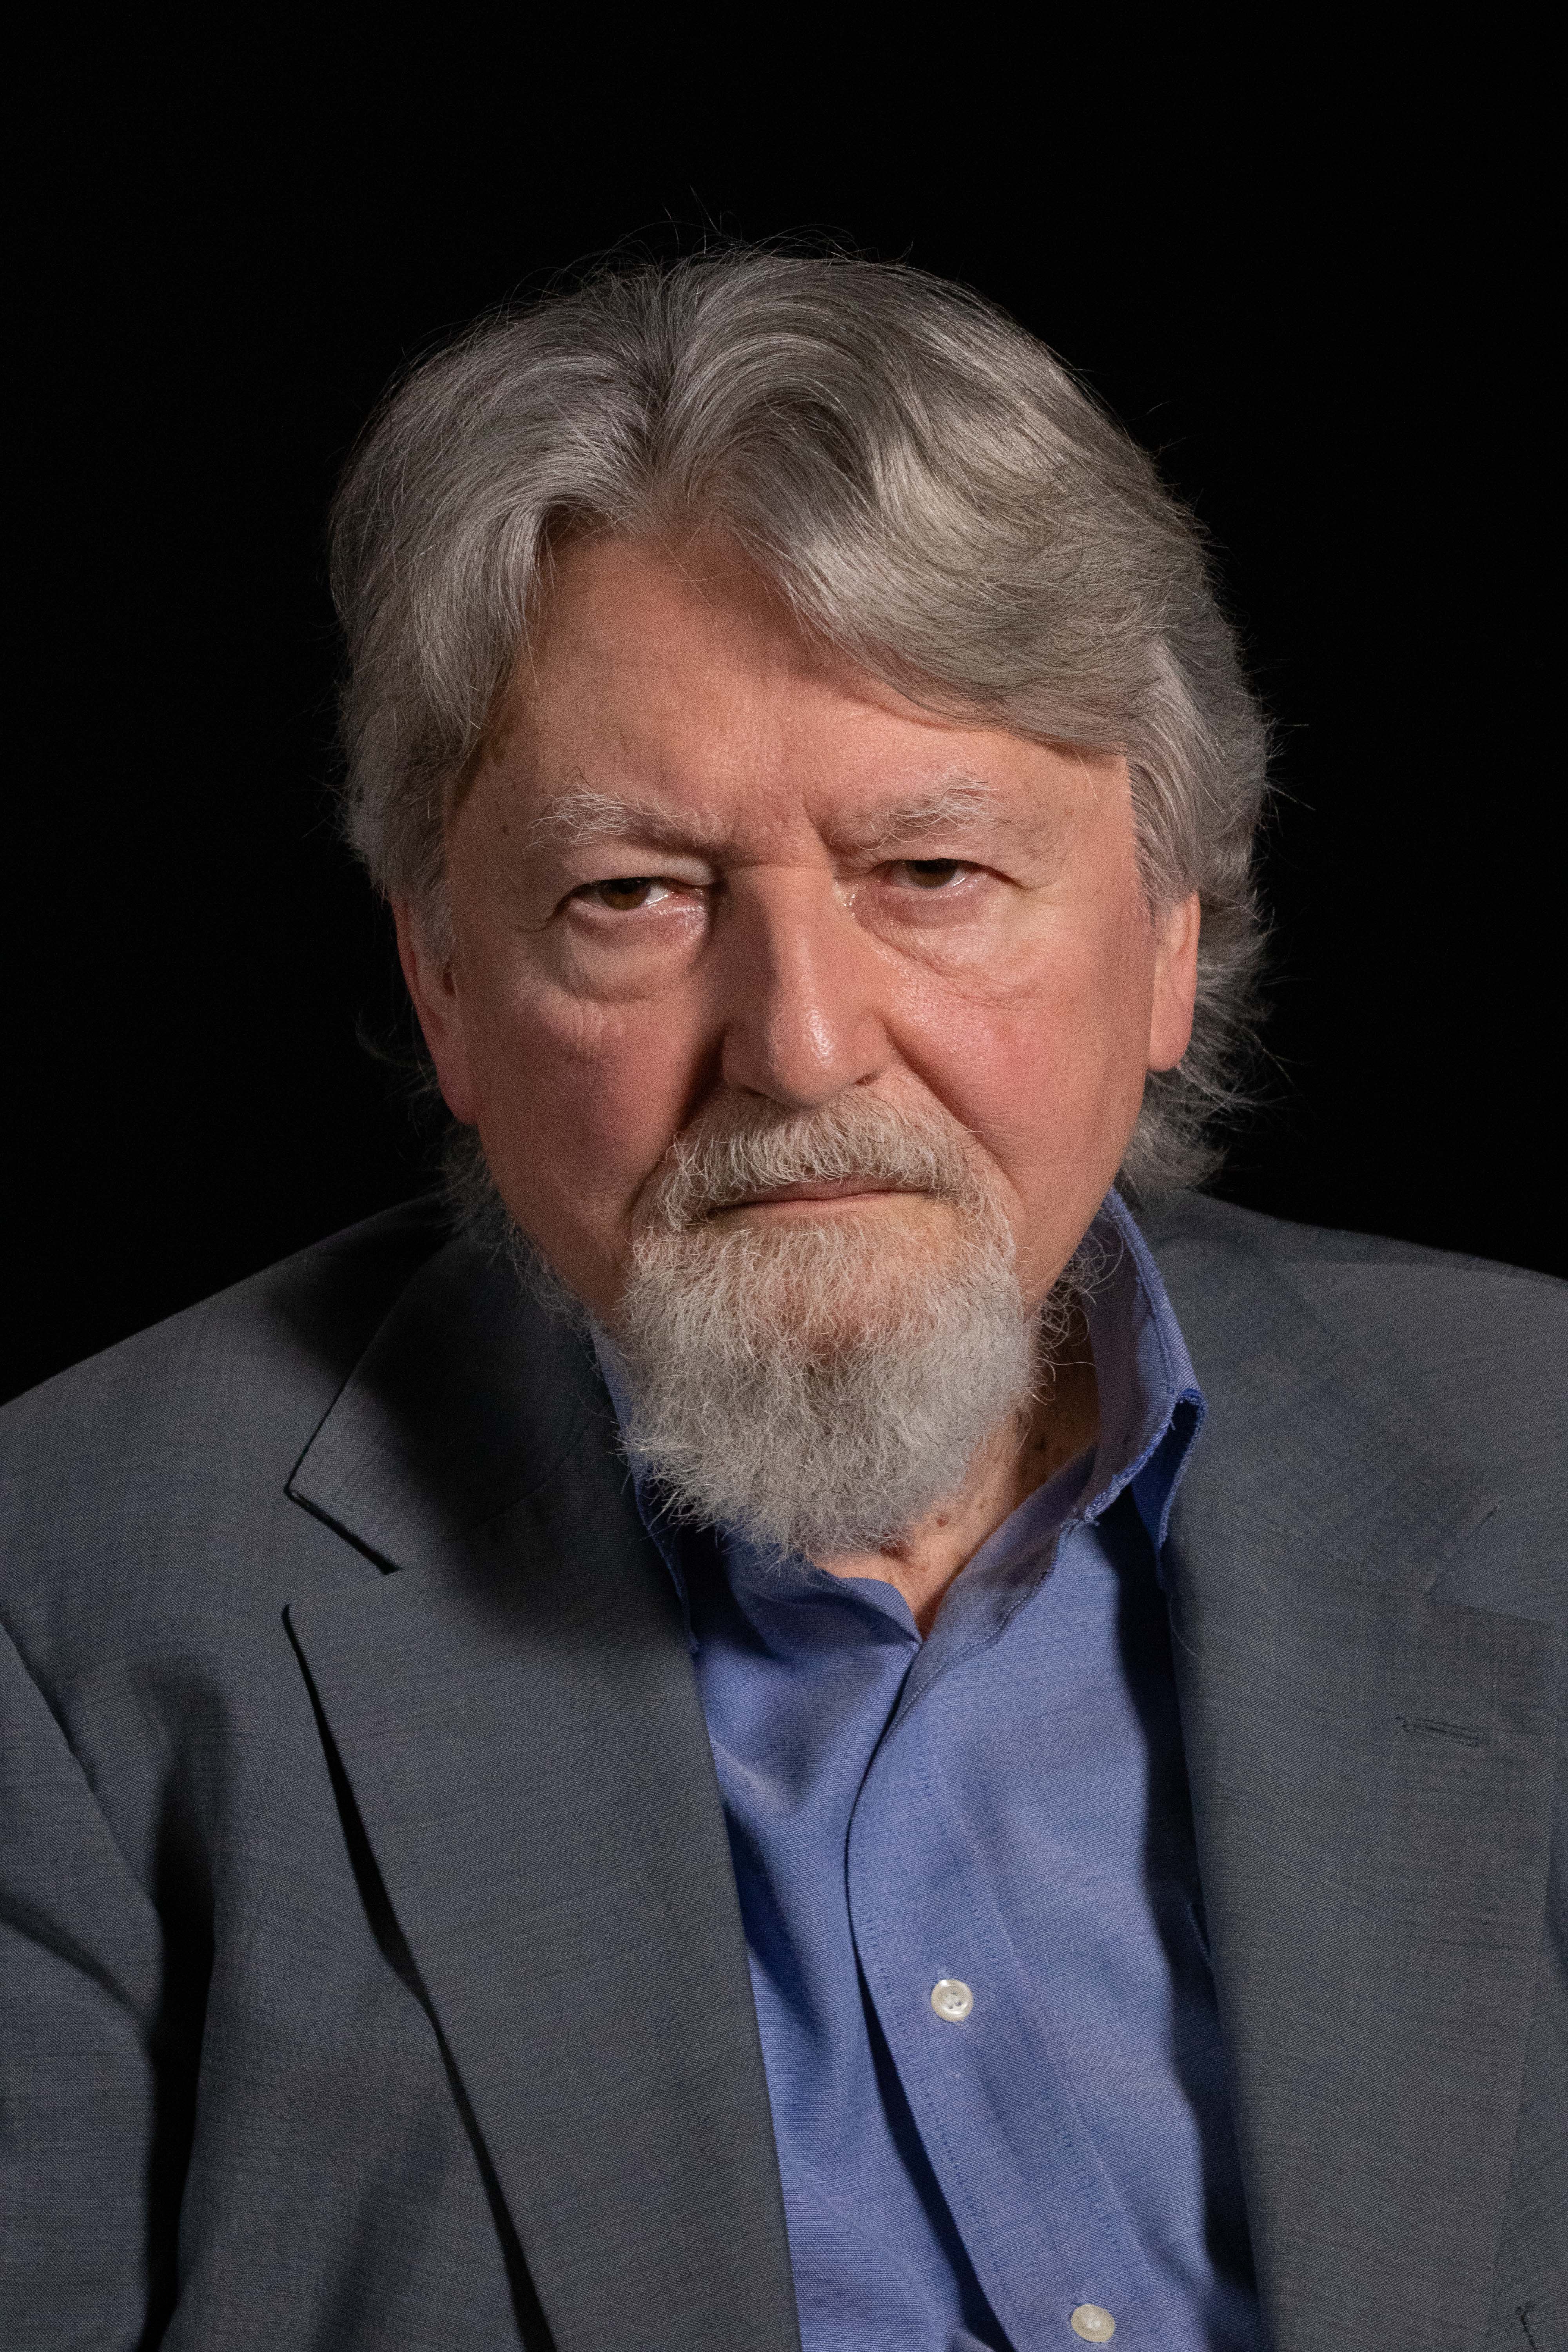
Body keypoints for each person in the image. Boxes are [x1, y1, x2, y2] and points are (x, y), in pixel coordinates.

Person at [2, 252, 1562, 2352]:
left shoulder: (1542, 1456)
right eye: (634, 894)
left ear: (1172, 937)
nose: (804, 1046)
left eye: (932, 873)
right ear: (446, 984)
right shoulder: (64, 1615)